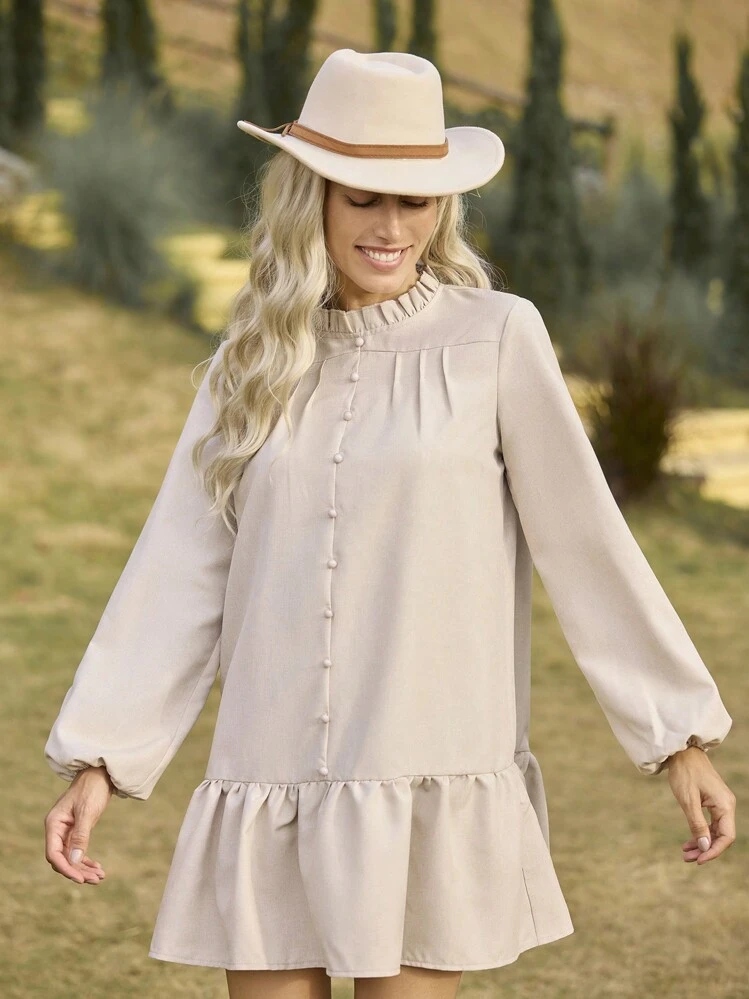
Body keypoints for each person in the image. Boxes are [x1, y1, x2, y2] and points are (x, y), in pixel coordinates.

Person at [43, 48, 735, 999]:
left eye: (415, 201)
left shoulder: (496, 338)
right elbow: (181, 566)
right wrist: (100, 758)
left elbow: (587, 547)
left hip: (426, 781)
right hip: (270, 777)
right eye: (363, 197)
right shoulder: (249, 361)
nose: (391, 226)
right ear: (313, 200)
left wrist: (677, 738)